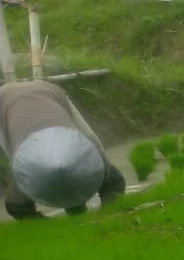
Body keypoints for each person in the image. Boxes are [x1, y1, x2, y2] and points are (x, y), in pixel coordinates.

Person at [0, 80, 127, 219]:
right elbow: (88, 135)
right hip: (65, 131)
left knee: (17, 204)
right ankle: (106, 204)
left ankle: (38, 219)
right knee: (111, 181)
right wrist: (105, 166)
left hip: (32, 147)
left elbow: (11, 151)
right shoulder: (43, 86)